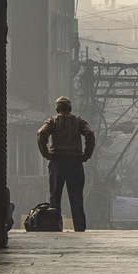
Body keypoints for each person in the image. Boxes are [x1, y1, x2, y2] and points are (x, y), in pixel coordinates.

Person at [36, 96, 95, 232]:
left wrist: (46, 154)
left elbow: (41, 133)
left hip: (57, 161)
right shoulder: (78, 121)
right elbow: (90, 134)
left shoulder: (52, 121)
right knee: (76, 197)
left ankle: (54, 226)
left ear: (57, 109)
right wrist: (86, 155)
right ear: (70, 108)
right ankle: (79, 227)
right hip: (75, 162)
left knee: (55, 197)